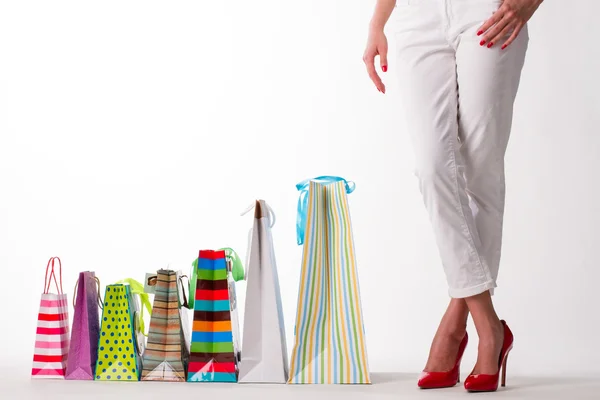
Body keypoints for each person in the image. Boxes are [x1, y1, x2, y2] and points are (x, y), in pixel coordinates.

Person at [363, 0, 544, 392]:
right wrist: (377, 22)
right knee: (432, 166)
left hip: (486, 11)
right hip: (415, 18)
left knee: (482, 169)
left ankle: (454, 325)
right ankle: (488, 325)